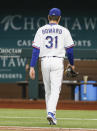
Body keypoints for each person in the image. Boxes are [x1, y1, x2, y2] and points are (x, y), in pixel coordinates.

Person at [29, 8, 75, 125]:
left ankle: (51, 115)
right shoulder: (64, 31)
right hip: (57, 61)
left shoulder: (41, 30)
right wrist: (72, 64)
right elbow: (69, 51)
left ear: (48, 17)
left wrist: (32, 66)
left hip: (44, 61)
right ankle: (51, 113)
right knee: (55, 89)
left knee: (48, 90)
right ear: (59, 18)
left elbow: (35, 50)